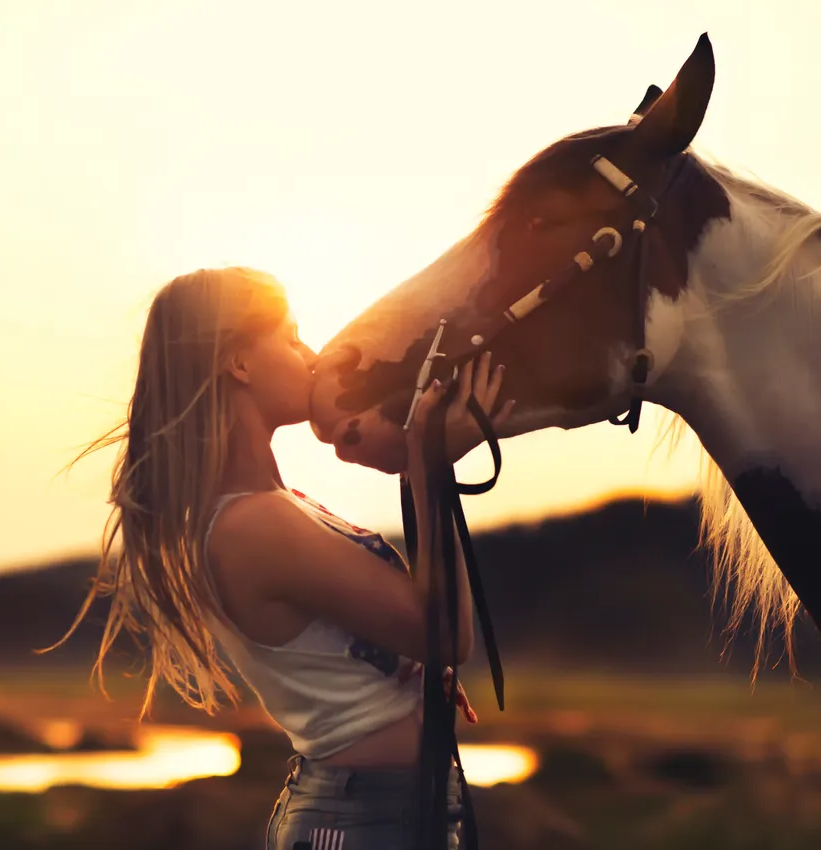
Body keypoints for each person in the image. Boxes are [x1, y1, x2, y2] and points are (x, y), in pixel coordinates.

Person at [60, 266, 514, 850]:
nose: (314, 354)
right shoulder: (254, 525)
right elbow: (447, 633)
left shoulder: (271, 507)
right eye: (292, 336)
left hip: (381, 812)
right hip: (364, 822)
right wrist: (428, 463)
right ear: (240, 363)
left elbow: (402, 635)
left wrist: (405, 676)